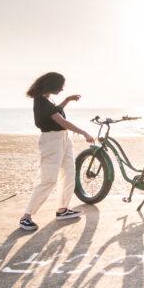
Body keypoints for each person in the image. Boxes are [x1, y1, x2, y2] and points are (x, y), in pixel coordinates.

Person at [20, 72, 94, 231]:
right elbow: (62, 121)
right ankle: (26, 217)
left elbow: (56, 110)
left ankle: (62, 210)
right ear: (51, 85)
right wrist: (84, 133)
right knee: (49, 180)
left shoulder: (46, 100)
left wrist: (67, 100)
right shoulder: (41, 102)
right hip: (51, 142)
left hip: (63, 139)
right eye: (60, 86)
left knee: (68, 174)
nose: (62, 88)